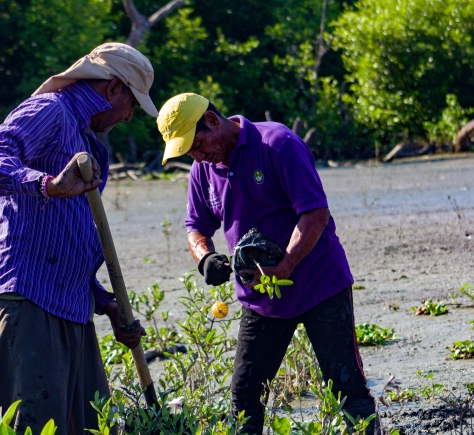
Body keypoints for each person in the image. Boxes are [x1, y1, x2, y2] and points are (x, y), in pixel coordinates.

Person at [156, 93, 377, 434]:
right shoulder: (203, 169)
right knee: (244, 397)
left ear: (214, 121)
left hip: (321, 285)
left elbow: (315, 213)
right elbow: (196, 227)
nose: (198, 156)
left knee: (346, 388)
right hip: (261, 298)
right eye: (189, 152)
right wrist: (205, 257)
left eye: (198, 144)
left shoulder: (277, 143)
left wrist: (287, 263)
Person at [0, 43, 158, 435]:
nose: (128, 116)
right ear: (113, 89)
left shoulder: (86, 142)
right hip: (28, 301)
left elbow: (65, 238)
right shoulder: (51, 110)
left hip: (70, 307)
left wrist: (106, 304)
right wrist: (46, 184)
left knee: (91, 428)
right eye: (133, 105)